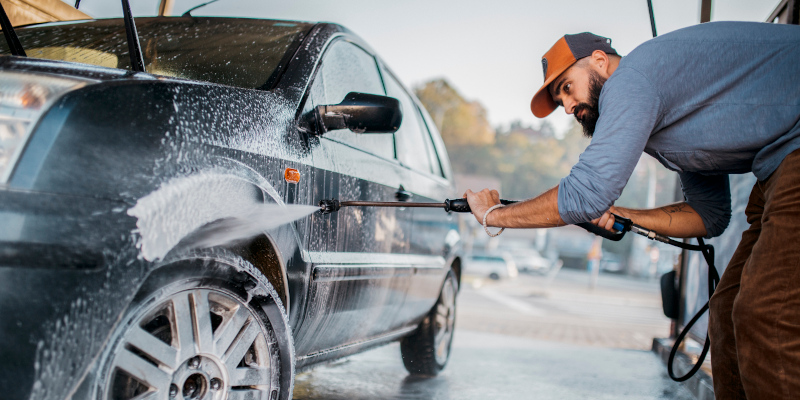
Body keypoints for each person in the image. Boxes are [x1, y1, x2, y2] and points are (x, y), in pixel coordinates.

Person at [463, 22, 800, 400]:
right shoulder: (667, 115)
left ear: (600, 61)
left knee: (766, 312)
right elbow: (710, 215)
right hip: (777, 167)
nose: (569, 107)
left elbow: (586, 191)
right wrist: (623, 214)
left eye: (567, 88)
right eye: (561, 102)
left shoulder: (633, 78)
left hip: (794, 155)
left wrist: (492, 215)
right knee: (726, 312)